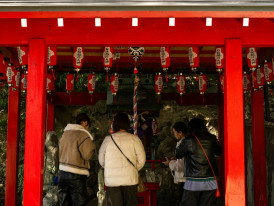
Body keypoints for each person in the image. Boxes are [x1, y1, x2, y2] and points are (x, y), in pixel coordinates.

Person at [98, 112, 146, 206]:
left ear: (114, 124)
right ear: (128, 124)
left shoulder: (108, 139)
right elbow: (141, 160)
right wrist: (133, 169)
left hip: (112, 181)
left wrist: (110, 168)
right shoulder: (134, 139)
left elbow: (101, 161)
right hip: (130, 179)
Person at [175, 118, 221, 206]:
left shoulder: (189, 139)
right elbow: (219, 151)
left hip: (193, 180)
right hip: (210, 180)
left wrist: (182, 140)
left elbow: (178, 154)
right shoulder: (212, 138)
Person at [58, 113, 96, 206]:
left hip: (62, 172)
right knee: (78, 202)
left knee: (64, 202)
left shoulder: (65, 133)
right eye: (87, 126)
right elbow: (87, 154)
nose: (87, 129)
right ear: (84, 122)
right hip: (77, 174)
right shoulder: (83, 134)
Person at [162, 121, 187, 205]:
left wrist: (170, 163)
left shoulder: (183, 144)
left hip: (185, 178)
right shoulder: (185, 142)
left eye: (174, 132)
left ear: (180, 132)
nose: (174, 134)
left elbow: (180, 164)